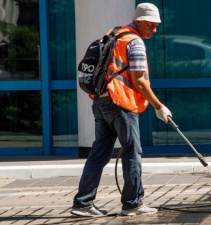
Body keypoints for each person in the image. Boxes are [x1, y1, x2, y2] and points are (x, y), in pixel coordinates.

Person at [71, 3, 172, 217]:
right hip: (121, 103)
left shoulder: (114, 34)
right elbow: (140, 81)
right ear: (141, 22)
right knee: (132, 153)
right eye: (152, 26)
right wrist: (159, 106)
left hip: (101, 101)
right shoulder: (134, 42)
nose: (154, 30)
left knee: (98, 154)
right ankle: (133, 203)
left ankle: (82, 203)